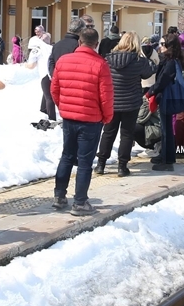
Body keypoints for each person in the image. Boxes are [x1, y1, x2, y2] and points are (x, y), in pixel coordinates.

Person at [50, 27, 114, 215]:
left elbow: (55, 89)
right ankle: (80, 202)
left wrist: (63, 106)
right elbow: (106, 96)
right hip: (91, 119)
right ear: (96, 44)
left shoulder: (63, 61)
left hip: (69, 117)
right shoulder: (100, 64)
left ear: (79, 42)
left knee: (67, 156)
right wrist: (107, 117)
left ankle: (59, 196)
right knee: (85, 161)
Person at [97, 32, 155, 177]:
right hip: (131, 103)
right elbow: (147, 74)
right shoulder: (138, 61)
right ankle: (122, 166)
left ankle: (101, 164)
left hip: (112, 102)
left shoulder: (108, 59)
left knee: (108, 133)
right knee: (127, 135)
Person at [146, 34, 184, 171]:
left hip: (167, 97)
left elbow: (162, 80)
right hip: (167, 97)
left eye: (163, 44)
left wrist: (151, 91)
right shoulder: (172, 60)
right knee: (166, 128)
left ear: (170, 47)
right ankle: (167, 155)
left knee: (166, 129)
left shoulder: (170, 62)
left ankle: (167, 161)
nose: (160, 46)